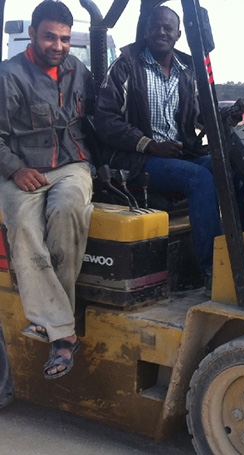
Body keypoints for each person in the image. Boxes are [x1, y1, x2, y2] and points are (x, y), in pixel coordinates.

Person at [94, 5, 244, 282]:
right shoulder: (126, 65)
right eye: (156, 27)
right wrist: (149, 144)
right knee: (200, 179)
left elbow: (202, 115)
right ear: (146, 31)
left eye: (168, 28)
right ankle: (214, 271)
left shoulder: (187, 70)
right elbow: (105, 120)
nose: (161, 32)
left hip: (179, 156)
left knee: (235, 169)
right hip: (136, 160)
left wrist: (232, 113)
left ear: (178, 34)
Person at [0, 0, 95, 379]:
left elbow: (100, 115)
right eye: (50, 37)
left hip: (71, 164)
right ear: (32, 34)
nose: (58, 46)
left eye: (65, 39)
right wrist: (15, 168)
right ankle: (64, 334)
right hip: (23, 168)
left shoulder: (78, 70)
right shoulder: (9, 75)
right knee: (23, 226)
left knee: (69, 207)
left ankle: (51, 321)